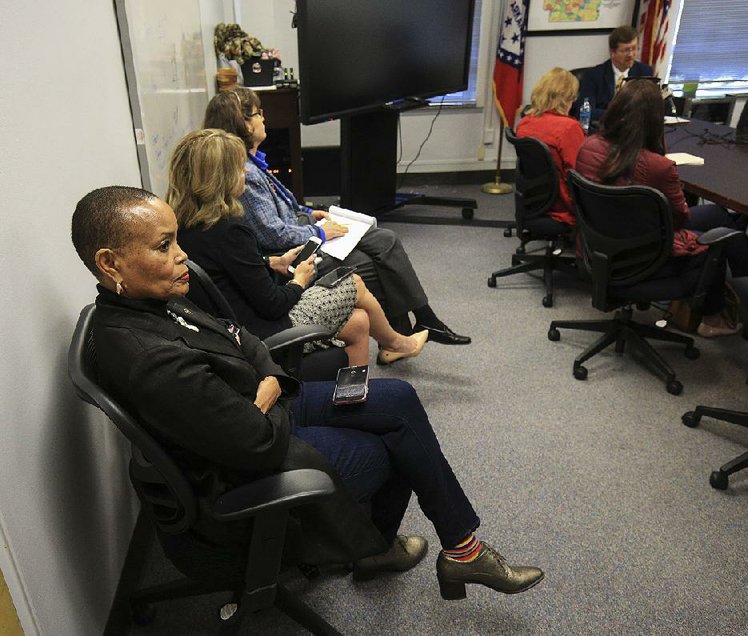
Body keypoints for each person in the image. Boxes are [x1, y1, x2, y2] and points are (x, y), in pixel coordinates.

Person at [70, 184, 544, 599]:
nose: (180, 255)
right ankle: (380, 550)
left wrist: (269, 383)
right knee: (390, 449)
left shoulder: (154, 301)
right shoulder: (144, 352)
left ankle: (461, 548)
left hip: (266, 409)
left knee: (398, 399)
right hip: (249, 464)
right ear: (110, 263)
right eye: (164, 245)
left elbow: (244, 337)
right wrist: (265, 385)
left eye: (175, 240)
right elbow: (255, 442)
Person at [202, 87, 470, 346]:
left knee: (383, 242)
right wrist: (319, 232)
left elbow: (283, 208)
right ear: (244, 123)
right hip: (294, 249)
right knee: (375, 259)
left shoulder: (251, 162)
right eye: (258, 112)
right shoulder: (243, 175)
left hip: (299, 233)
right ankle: (416, 326)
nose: (264, 118)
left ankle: (417, 325)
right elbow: (272, 234)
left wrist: (309, 212)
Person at [166, 128, 427, 367]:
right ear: (219, 178)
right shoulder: (231, 230)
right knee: (354, 282)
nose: (245, 171)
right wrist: (299, 280)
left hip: (231, 328)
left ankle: (353, 400)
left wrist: (271, 263)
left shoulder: (184, 224)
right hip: (260, 333)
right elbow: (274, 305)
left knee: (359, 322)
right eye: (238, 167)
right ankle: (397, 343)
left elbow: (226, 271)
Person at [575, 79, 748, 338]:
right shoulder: (657, 166)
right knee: (719, 240)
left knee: (717, 215)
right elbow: (680, 217)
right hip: (641, 260)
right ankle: (717, 317)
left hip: (597, 250)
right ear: (655, 121)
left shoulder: (588, 146)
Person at [516, 67, 585, 228]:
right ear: (566, 97)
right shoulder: (569, 128)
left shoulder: (525, 123)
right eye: (573, 97)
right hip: (564, 204)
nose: (574, 101)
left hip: (537, 200)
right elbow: (579, 172)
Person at [576, 25, 654, 122]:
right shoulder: (593, 76)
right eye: (625, 50)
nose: (630, 55)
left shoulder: (645, 72)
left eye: (634, 48)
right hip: (604, 129)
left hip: (635, 131)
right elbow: (586, 111)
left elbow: (650, 109)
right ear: (612, 52)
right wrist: (620, 117)